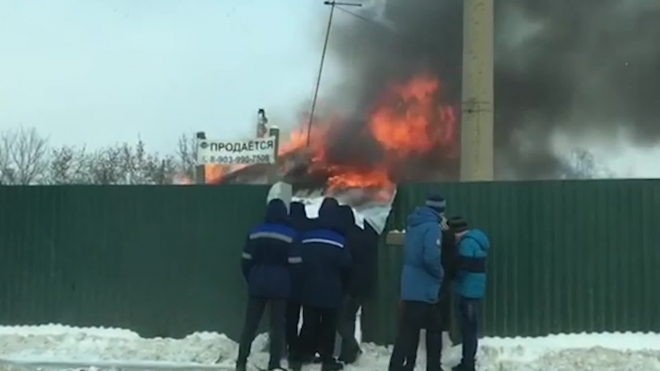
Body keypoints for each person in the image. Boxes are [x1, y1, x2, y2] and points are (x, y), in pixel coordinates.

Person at [235, 199, 302, 371]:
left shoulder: (255, 231)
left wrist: (253, 276)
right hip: (280, 284)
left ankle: (241, 361)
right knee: (277, 326)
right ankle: (274, 363)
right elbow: (296, 265)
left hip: (257, 281)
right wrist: (288, 280)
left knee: (250, 324)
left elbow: (246, 261)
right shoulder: (291, 234)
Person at [293, 197, 352, 371]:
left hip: (309, 289)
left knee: (308, 323)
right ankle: (327, 359)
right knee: (328, 326)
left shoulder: (306, 237)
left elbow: (298, 261)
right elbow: (346, 266)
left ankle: (301, 355)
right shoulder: (339, 240)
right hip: (331, 290)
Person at [388, 195, 446, 371]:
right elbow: (431, 257)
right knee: (433, 330)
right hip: (425, 289)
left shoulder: (414, 225)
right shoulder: (432, 228)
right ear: (440, 210)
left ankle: (398, 366)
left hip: (410, 286)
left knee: (408, 330)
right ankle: (433, 367)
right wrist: (440, 273)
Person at [336, 204, 375, 365]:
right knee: (350, 319)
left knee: (340, 320)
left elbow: (344, 262)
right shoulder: (362, 233)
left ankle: (352, 347)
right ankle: (347, 354)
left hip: (348, 283)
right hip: (363, 282)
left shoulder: (343, 236)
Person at [451, 219, 490, 371]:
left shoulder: (466, 244)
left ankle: (467, 364)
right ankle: (469, 361)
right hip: (476, 289)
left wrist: (453, 275)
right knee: (471, 329)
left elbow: (463, 267)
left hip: (467, 290)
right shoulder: (478, 241)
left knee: (468, 329)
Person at [285, 202, 311, 364]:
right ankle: (305, 348)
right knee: (309, 317)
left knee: (291, 317)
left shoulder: (287, 227)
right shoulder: (309, 226)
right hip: (308, 277)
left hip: (290, 279)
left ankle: (292, 348)